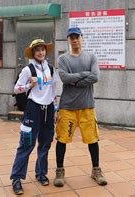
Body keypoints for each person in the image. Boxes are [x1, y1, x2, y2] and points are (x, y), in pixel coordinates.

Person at [54, 27, 107, 187]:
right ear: (68, 40)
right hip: (67, 106)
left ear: (82, 38)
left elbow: (95, 76)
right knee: (62, 139)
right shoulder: (63, 59)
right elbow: (64, 77)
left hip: (87, 106)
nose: (75, 40)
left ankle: (96, 169)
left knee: (92, 139)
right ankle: (60, 170)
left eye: (77, 37)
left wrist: (75, 80)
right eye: (72, 37)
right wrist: (84, 75)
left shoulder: (91, 56)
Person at [10, 38, 57, 195]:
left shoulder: (50, 68)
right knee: (26, 144)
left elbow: (54, 90)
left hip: (48, 109)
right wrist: (29, 85)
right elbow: (16, 89)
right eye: (37, 50)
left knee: (45, 144)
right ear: (33, 52)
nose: (41, 52)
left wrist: (55, 109)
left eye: (43, 49)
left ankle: (41, 173)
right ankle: (16, 178)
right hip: (33, 109)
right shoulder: (28, 70)